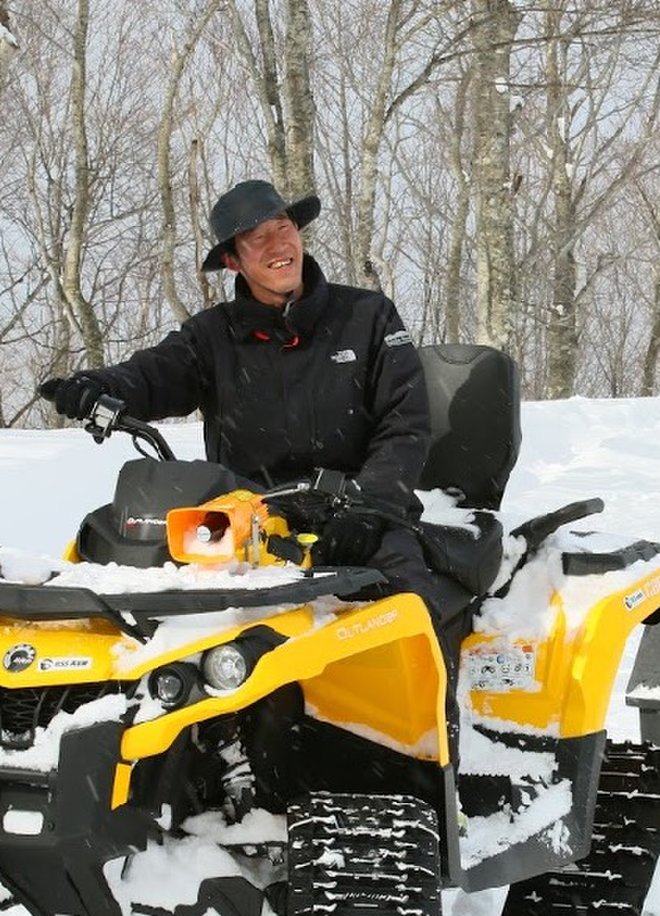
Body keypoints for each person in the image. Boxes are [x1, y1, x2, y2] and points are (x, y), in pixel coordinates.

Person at [38, 178, 469, 757]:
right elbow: (153, 374)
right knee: (129, 581)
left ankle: (431, 760)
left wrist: (371, 503)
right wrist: (98, 387)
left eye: (283, 228)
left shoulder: (366, 317)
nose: (276, 244)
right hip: (243, 523)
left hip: (361, 514)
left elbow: (405, 424)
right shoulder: (213, 336)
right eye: (256, 238)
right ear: (235, 260)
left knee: (408, 600)